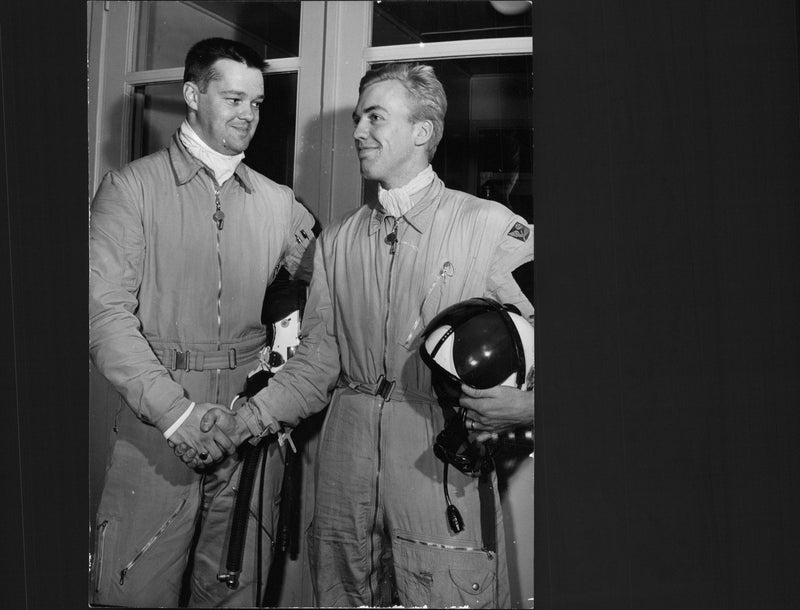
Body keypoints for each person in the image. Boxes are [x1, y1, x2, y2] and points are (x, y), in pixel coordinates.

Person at [196, 61, 534, 607]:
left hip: (438, 474)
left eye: (375, 117)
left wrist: (529, 407)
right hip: (343, 482)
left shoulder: (491, 229)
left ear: (422, 132)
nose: (358, 131)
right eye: (357, 118)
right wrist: (244, 421)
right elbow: (316, 362)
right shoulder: (338, 242)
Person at [89, 37, 315, 607]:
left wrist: (271, 400)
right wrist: (175, 413)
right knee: (134, 592)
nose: (249, 116)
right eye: (234, 99)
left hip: (246, 428)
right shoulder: (130, 190)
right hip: (157, 430)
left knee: (233, 592)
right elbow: (102, 313)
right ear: (192, 95)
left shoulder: (279, 203)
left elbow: (323, 298)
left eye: (257, 103)